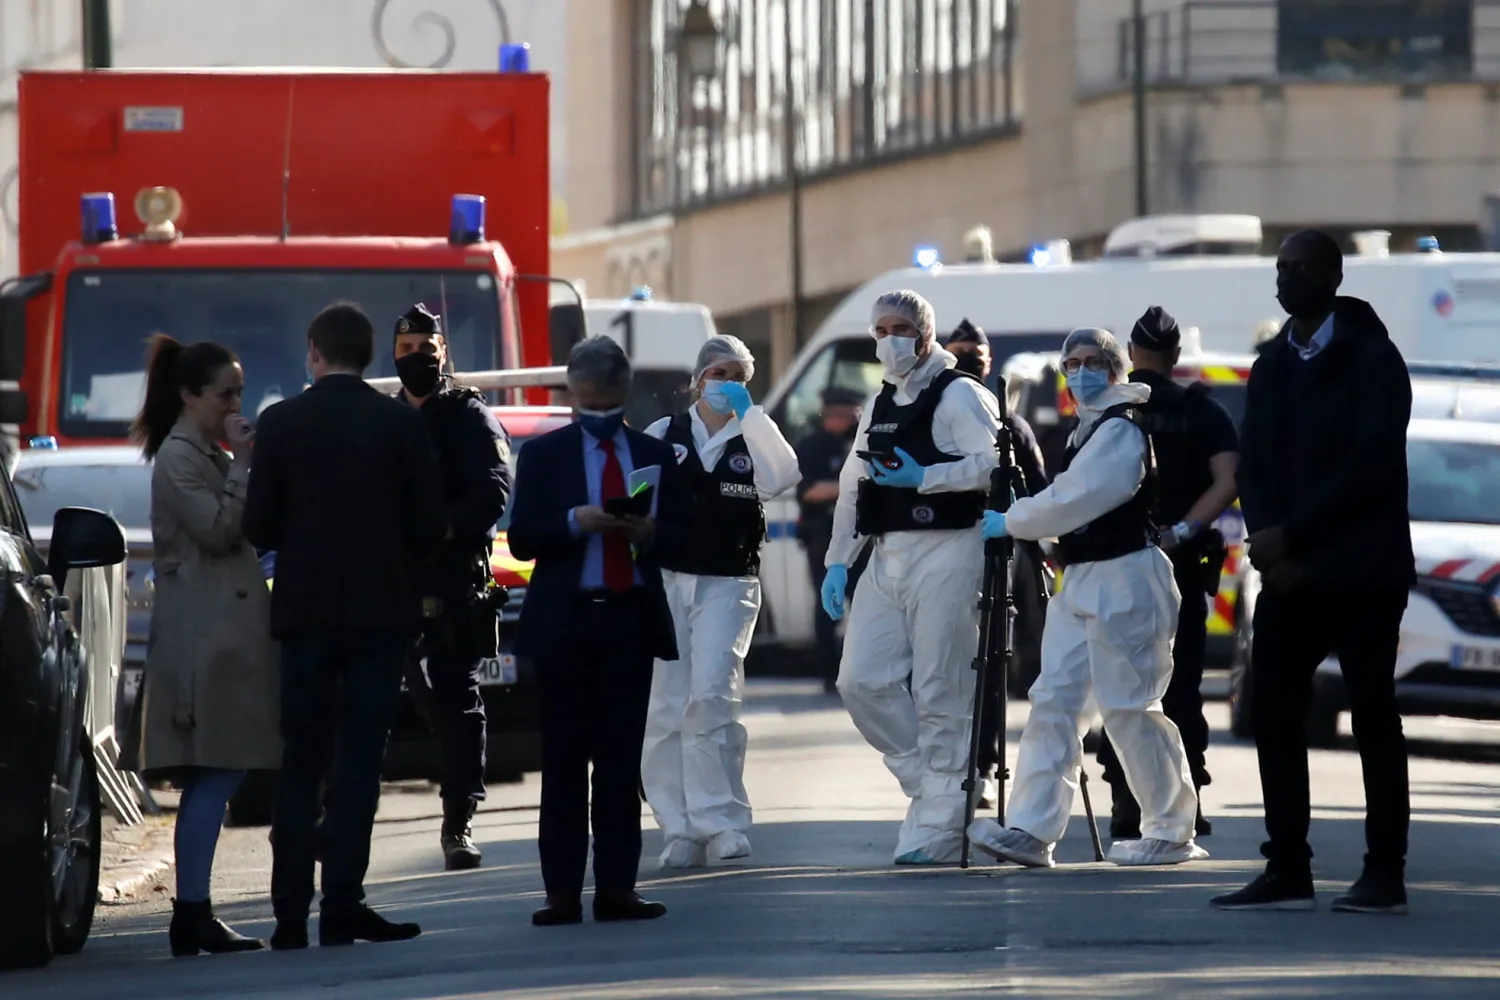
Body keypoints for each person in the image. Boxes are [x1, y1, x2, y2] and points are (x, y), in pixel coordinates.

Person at [1212, 230, 1414, 914]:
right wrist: (1269, 539)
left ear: (1333, 276)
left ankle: (1384, 872)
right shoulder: (1272, 363)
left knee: (1373, 717)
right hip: (1289, 574)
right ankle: (1286, 865)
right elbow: (1254, 461)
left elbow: (1370, 465)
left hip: (1362, 571)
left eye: (1301, 268)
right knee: (1272, 710)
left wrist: (1291, 535)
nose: (1288, 278)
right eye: (1281, 267)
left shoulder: (1374, 359)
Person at [244, 302, 447, 949]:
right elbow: (428, 522)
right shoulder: (397, 423)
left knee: (300, 761)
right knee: (360, 759)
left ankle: (286, 914)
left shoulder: (280, 424)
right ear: (369, 355)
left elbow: (258, 526)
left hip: (303, 615)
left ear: (313, 351)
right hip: (379, 617)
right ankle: (342, 902)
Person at [967, 327, 1203, 869]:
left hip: (1127, 579)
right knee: (1055, 703)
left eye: (1092, 360)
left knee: (1128, 707)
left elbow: (1081, 497)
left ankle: (1170, 829)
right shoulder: (1089, 430)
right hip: (1082, 580)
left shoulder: (1121, 429)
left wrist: (1016, 520)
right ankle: (1031, 828)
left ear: (1117, 369)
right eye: (1071, 363)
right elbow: (1068, 504)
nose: (1080, 371)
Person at [509, 336, 689, 927]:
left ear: (623, 394)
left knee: (617, 764)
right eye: (586, 404)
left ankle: (617, 887)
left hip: (627, 620)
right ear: (572, 394)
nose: (596, 415)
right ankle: (560, 891)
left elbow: (682, 535)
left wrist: (648, 535)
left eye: (605, 404)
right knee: (562, 762)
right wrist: (574, 521)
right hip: (565, 621)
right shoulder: (544, 455)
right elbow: (522, 539)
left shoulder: (651, 454)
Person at [821, 289, 1001, 865]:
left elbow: (993, 463)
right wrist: (836, 561)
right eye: (879, 330)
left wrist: (929, 477)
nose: (888, 339)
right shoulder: (879, 403)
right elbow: (853, 485)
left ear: (926, 335)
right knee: (860, 681)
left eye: (899, 328)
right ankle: (933, 789)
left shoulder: (959, 394)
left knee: (939, 690)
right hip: (887, 553)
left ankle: (944, 819)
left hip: (948, 550)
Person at [120, 335, 280, 957]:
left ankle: (195, 910)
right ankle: (191, 911)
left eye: (239, 391)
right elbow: (217, 530)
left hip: (222, 636)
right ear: (189, 396)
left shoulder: (203, 451)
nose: (235, 404)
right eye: (225, 394)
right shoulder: (181, 456)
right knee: (213, 773)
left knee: (224, 768)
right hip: (203, 642)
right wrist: (241, 462)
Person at [640, 335, 801, 869]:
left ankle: (722, 819)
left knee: (712, 694)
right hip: (669, 580)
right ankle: (679, 825)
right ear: (697, 379)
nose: (727, 383)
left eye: (738, 375)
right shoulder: (665, 434)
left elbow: (782, 476)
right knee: (666, 705)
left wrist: (751, 418)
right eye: (718, 373)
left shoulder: (752, 436)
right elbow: (634, 496)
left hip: (729, 582)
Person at [1096, 306, 1239, 840]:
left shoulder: (1109, 409)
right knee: (1179, 686)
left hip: (1114, 566)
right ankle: (1185, 799)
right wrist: (1181, 530)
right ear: (1176, 356)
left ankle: (1125, 801)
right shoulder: (1202, 410)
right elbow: (1228, 479)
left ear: (1131, 354)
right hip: (1177, 566)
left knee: (1119, 683)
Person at [391, 303, 512, 871]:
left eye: (426, 350)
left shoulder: (469, 417)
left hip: (453, 579)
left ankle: (458, 821)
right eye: (407, 351)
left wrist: (444, 525)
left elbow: (494, 487)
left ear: (444, 354)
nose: (417, 359)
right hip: (390, 582)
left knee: (458, 707)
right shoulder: (383, 420)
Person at [945, 318, 1052, 810]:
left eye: (976, 354)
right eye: (959, 351)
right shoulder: (934, 417)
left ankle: (985, 765)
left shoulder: (1012, 427)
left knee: (990, 665)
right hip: (939, 558)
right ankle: (946, 765)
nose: (968, 360)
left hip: (996, 560)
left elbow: (1035, 496)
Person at [794, 387, 864, 691]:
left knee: (866, 606)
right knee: (827, 608)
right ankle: (828, 673)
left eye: (850, 415)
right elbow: (809, 491)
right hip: (823, 535)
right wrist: (850, 485)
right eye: (839, 415)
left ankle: (863, 670)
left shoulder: (863, 443)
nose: (844, 421)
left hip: (863, 537)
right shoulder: (812, 447)